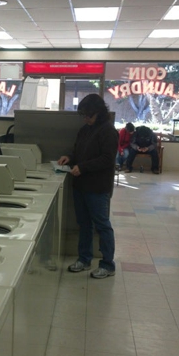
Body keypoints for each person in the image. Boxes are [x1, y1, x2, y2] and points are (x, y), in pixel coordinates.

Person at [57, 94, 118, 279]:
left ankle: (108, 264)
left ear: (99, 113)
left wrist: (82, 167)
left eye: (88, 115)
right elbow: (79, 153)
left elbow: (107, 159)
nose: (85, 119)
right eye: (83, 115)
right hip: (81, 185)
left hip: (97, 187)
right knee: (84, 224)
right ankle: (84, 259)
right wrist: (70, 158)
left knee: (102, 225)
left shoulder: (108, 131)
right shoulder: (85, 130)